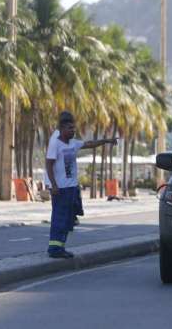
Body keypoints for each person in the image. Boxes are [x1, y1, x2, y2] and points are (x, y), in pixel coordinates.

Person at [46, 111, 116, 259]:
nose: (73, 131)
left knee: (68, 219)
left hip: (72, 188)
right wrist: (53, 185)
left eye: (74, 128)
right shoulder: (55, 144)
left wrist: (106, 141)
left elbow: (90, 144)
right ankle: (54, 249)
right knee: (59, 218)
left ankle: (60, 247)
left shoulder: (72, 143)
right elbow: (49, 165)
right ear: (62, 129)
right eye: (70, 128)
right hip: (61, 189)